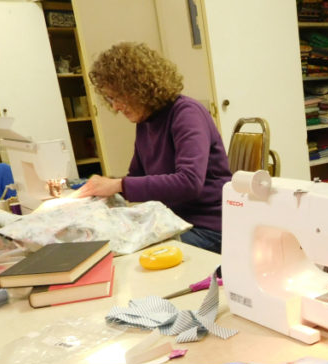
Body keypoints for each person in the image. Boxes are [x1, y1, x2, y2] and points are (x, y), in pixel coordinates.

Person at [76, 42, 231, 253]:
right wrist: (104, 189)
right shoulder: (146, 122)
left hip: (211, 227)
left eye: (118, 97)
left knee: (128, 255)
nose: (115, 107)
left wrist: (118, 185)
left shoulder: (187, 114)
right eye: (110, 99)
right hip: (175, 220)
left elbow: (189, 182)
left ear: (139, 88)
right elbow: (137, 176)